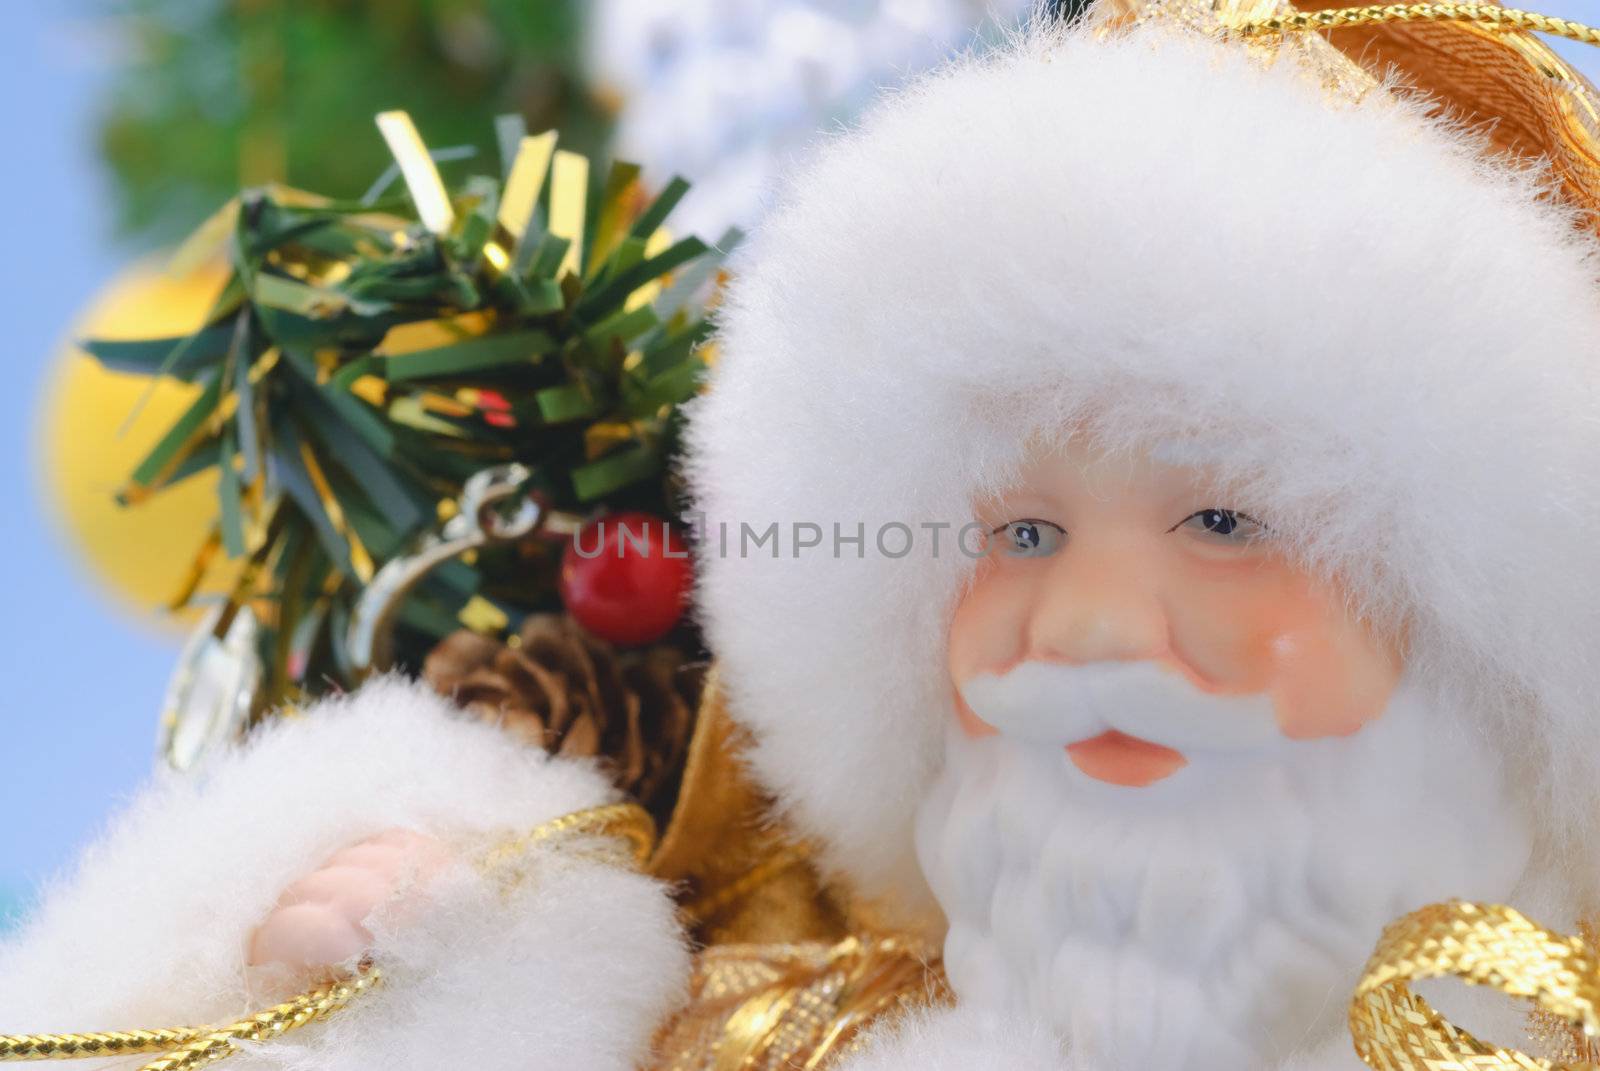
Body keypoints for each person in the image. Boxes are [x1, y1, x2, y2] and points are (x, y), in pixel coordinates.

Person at [8, 2, 1600, 1068]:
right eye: (1025, 531)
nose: (1095, 625)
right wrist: (414, 983)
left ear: (1471, 597)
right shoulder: (808, 1026)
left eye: (1227, 519)